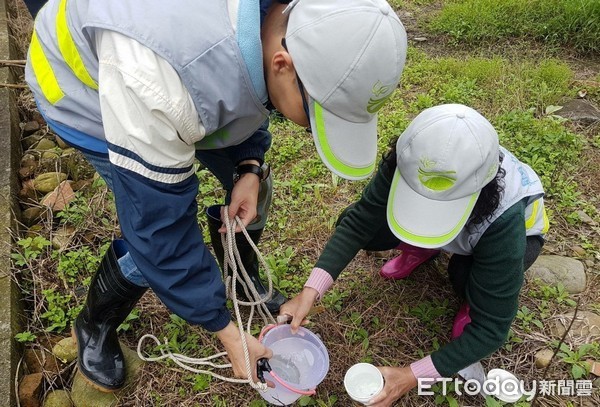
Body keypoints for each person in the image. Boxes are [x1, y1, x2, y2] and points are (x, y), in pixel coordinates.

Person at [24, 0, 407, 392]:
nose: (311, 131)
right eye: (316, 118)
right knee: (151, 239)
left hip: (173, 72)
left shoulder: (285, 19)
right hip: (85, 91)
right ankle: (95, 323)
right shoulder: (159, 83)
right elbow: (160, 229)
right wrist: (226, 331)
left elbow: (247, 89)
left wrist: (249, 166)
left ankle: (241, 283)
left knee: (253, 186)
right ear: (282, 65)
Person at [280, 104, 548, 406]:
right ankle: (422, 247)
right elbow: (358, 223)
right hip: (463, 225)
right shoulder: (412, 158)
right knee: (359, 223)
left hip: (514, 238)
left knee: (462, 277)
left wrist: (409, 376)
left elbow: (492, 328)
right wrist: (310, 290)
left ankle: (471, 294)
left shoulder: (504, 217)